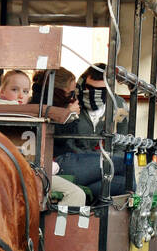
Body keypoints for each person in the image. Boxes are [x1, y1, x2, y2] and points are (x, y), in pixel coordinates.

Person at [52, 63, 130, 198]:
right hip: (76, 163)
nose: (94, 93)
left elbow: (121, 145)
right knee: (124, 165)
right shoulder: (71, 103)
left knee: (127, 185)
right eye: (90, 88)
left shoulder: (120, 106)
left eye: (101, 90)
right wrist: (92, 160)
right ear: (82, 83)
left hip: (103, 168)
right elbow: (67, 142)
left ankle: (86, 192)